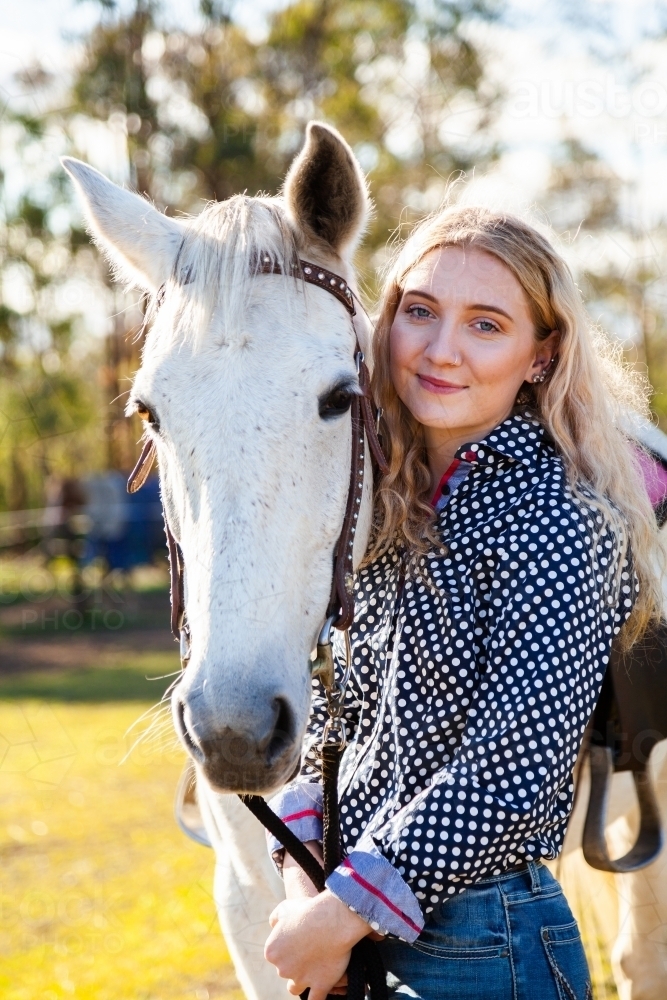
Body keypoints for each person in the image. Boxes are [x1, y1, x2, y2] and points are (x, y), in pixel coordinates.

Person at [262, 206, 663, 1000]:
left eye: (485, 325)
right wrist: (306, 890)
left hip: (481, 949)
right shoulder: (389, 508)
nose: (441, 351)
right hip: (355, 929)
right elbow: (333, 720)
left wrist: (341, 914)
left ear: (540, 356)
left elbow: (511, 768)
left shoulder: (557, 515)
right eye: (419, 311)